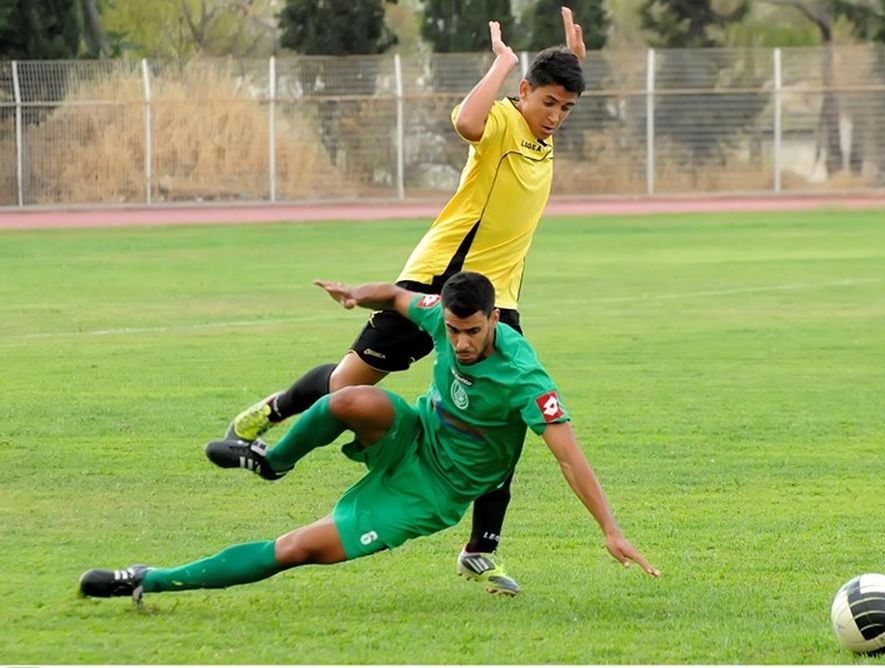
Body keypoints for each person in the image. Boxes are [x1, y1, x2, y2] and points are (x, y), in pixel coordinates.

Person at [222, 8, 588, 595]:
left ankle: (480, 549)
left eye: (566, 108)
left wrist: (570, 63)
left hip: (497, 299)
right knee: (346, 386)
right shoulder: (501, 123)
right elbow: (467, 122)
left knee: (504, 419)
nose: (556, 117)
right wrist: (502, 63)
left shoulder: (541, 124)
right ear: (523, 93)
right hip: (438, 283)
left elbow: (555, 86)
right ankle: (274, 410)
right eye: (548, 103)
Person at [79, 273, 659, 604]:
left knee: (296, 550)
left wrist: (611, 530)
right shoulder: (442, 317)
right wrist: (360, 294)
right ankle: (273, 460)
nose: (458, 342)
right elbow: (401, 297)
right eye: (452, 330)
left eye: (471, 332)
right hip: (417, 432)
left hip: (433, 492)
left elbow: (569, 456)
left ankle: (148, 579)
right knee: (349, 398)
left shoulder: (526, 378)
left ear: (494, 321)